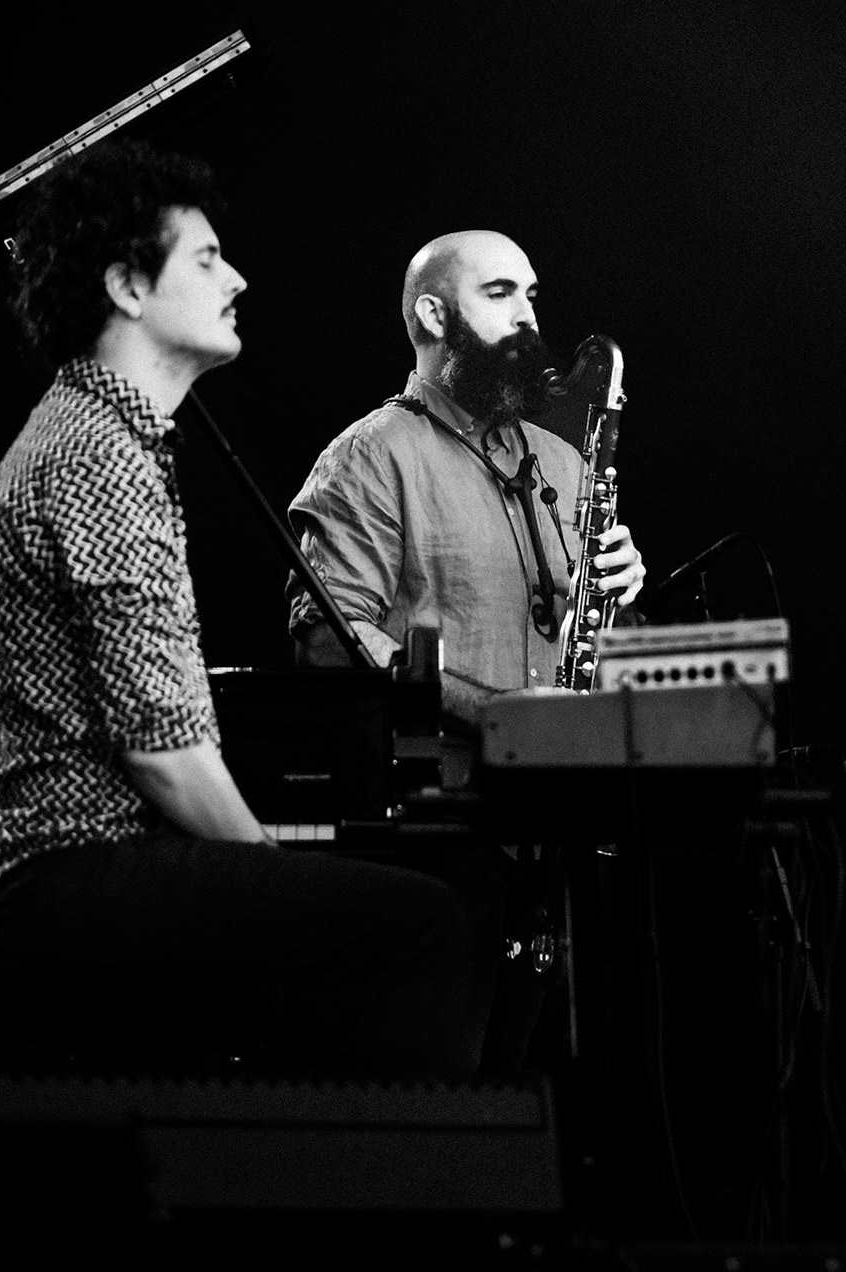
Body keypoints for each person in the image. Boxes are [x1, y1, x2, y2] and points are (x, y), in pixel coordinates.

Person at [0, 139, 487, 1078]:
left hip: (67, 869)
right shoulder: (95, 461)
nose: (237, 277)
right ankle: (389, 1200)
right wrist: (268, 866)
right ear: (127, 285)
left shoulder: (87, 437)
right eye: (205, 259)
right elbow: (162, 758)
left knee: (343, 937)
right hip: (73, 872)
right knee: (421, 924)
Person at [284, 229, 649, 1072]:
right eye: (498, 294)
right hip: (438, 832)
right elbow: (329, 641)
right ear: (432, 313)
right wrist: (488, 710)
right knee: (440, 1103)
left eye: (531, 293)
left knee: (544, 1126)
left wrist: (622, 597)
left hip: (552, 836)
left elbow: (584, 652)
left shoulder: (561, 461)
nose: (527, 315)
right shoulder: (371, 456)